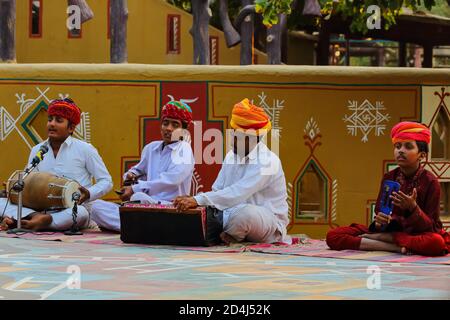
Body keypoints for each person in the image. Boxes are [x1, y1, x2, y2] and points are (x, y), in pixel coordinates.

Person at [174, 98, 290, 244]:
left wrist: (197, 200)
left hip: (267, 223)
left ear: (254, 139)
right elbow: (218, 189)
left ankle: (232, 236)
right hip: (229, 215)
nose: (232, 141)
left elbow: (238, 192)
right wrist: (195, 202)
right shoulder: (231, 155)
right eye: (233, 134)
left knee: (245, 215)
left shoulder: (268, 161)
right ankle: (230, 235)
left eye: (239, 137)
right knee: (202, 214)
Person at [326, 121, 449, 256]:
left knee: (436, 242)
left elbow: (432, 228)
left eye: (408, 147)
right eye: (397, 146)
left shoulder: (430, 181)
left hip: (415, 234)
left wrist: (413, 208)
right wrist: (380, 223)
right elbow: (380, 215)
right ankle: (393, 247)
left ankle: (381, 240)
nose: (400, 151)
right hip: (389, 232)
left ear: (422, 155)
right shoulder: (389, 177)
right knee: (333, 235)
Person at [0, 98, 113, 231]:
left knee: (80, 213)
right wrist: (13, 190)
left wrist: (88, 193)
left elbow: (106, 181)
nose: (52, 124)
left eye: (58, 121)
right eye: (50, 119)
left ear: (71, 128)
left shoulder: (85, 149)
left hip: (71, 209)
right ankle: (36, 219)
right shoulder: (37, 150)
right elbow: (28, 181)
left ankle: (36, 222)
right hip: (41, 209)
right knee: (1, 202)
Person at [90, 101, 195, 232]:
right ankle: (145, 228)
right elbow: (138, 170)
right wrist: (130, 176)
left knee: (138, 198)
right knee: (95, 207)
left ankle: (136, 227)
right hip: (145, 206)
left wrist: (134, 189)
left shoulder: (184, 149)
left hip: (170, 207)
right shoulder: (151, 148)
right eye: (165, 123)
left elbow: (171, 180)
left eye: (175, 125)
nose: (168, 128)